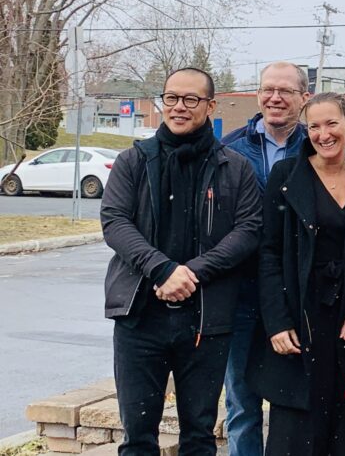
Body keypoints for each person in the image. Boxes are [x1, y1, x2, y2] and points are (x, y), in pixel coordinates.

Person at [101, 67, 262, 455]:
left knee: (199, 437)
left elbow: (249, 229)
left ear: (210, 105)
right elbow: (115, 221)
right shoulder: (133, 161)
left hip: (206, 320)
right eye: (171, 98)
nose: (179, 107)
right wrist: (163, 269)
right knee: (138, 438)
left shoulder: (234, 166)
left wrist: (192, 273)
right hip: (139, 317)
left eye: (191, 100)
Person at [248, 93, 345, 455]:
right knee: (293, 432)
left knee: (342, 427)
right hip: (299, 315)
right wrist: (276, 321)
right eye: (314, 126)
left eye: (332, 123)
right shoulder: (287, 175)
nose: (324, 134)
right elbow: (269, 251)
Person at [220, 61, 310, 456]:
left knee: (292, 401)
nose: (275, 98)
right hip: (238, 295)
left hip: (296, 298)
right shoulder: (230, 150)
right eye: (268, 89)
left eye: (286, 91)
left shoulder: (317, 147)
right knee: (241, 401)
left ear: (304, 98)